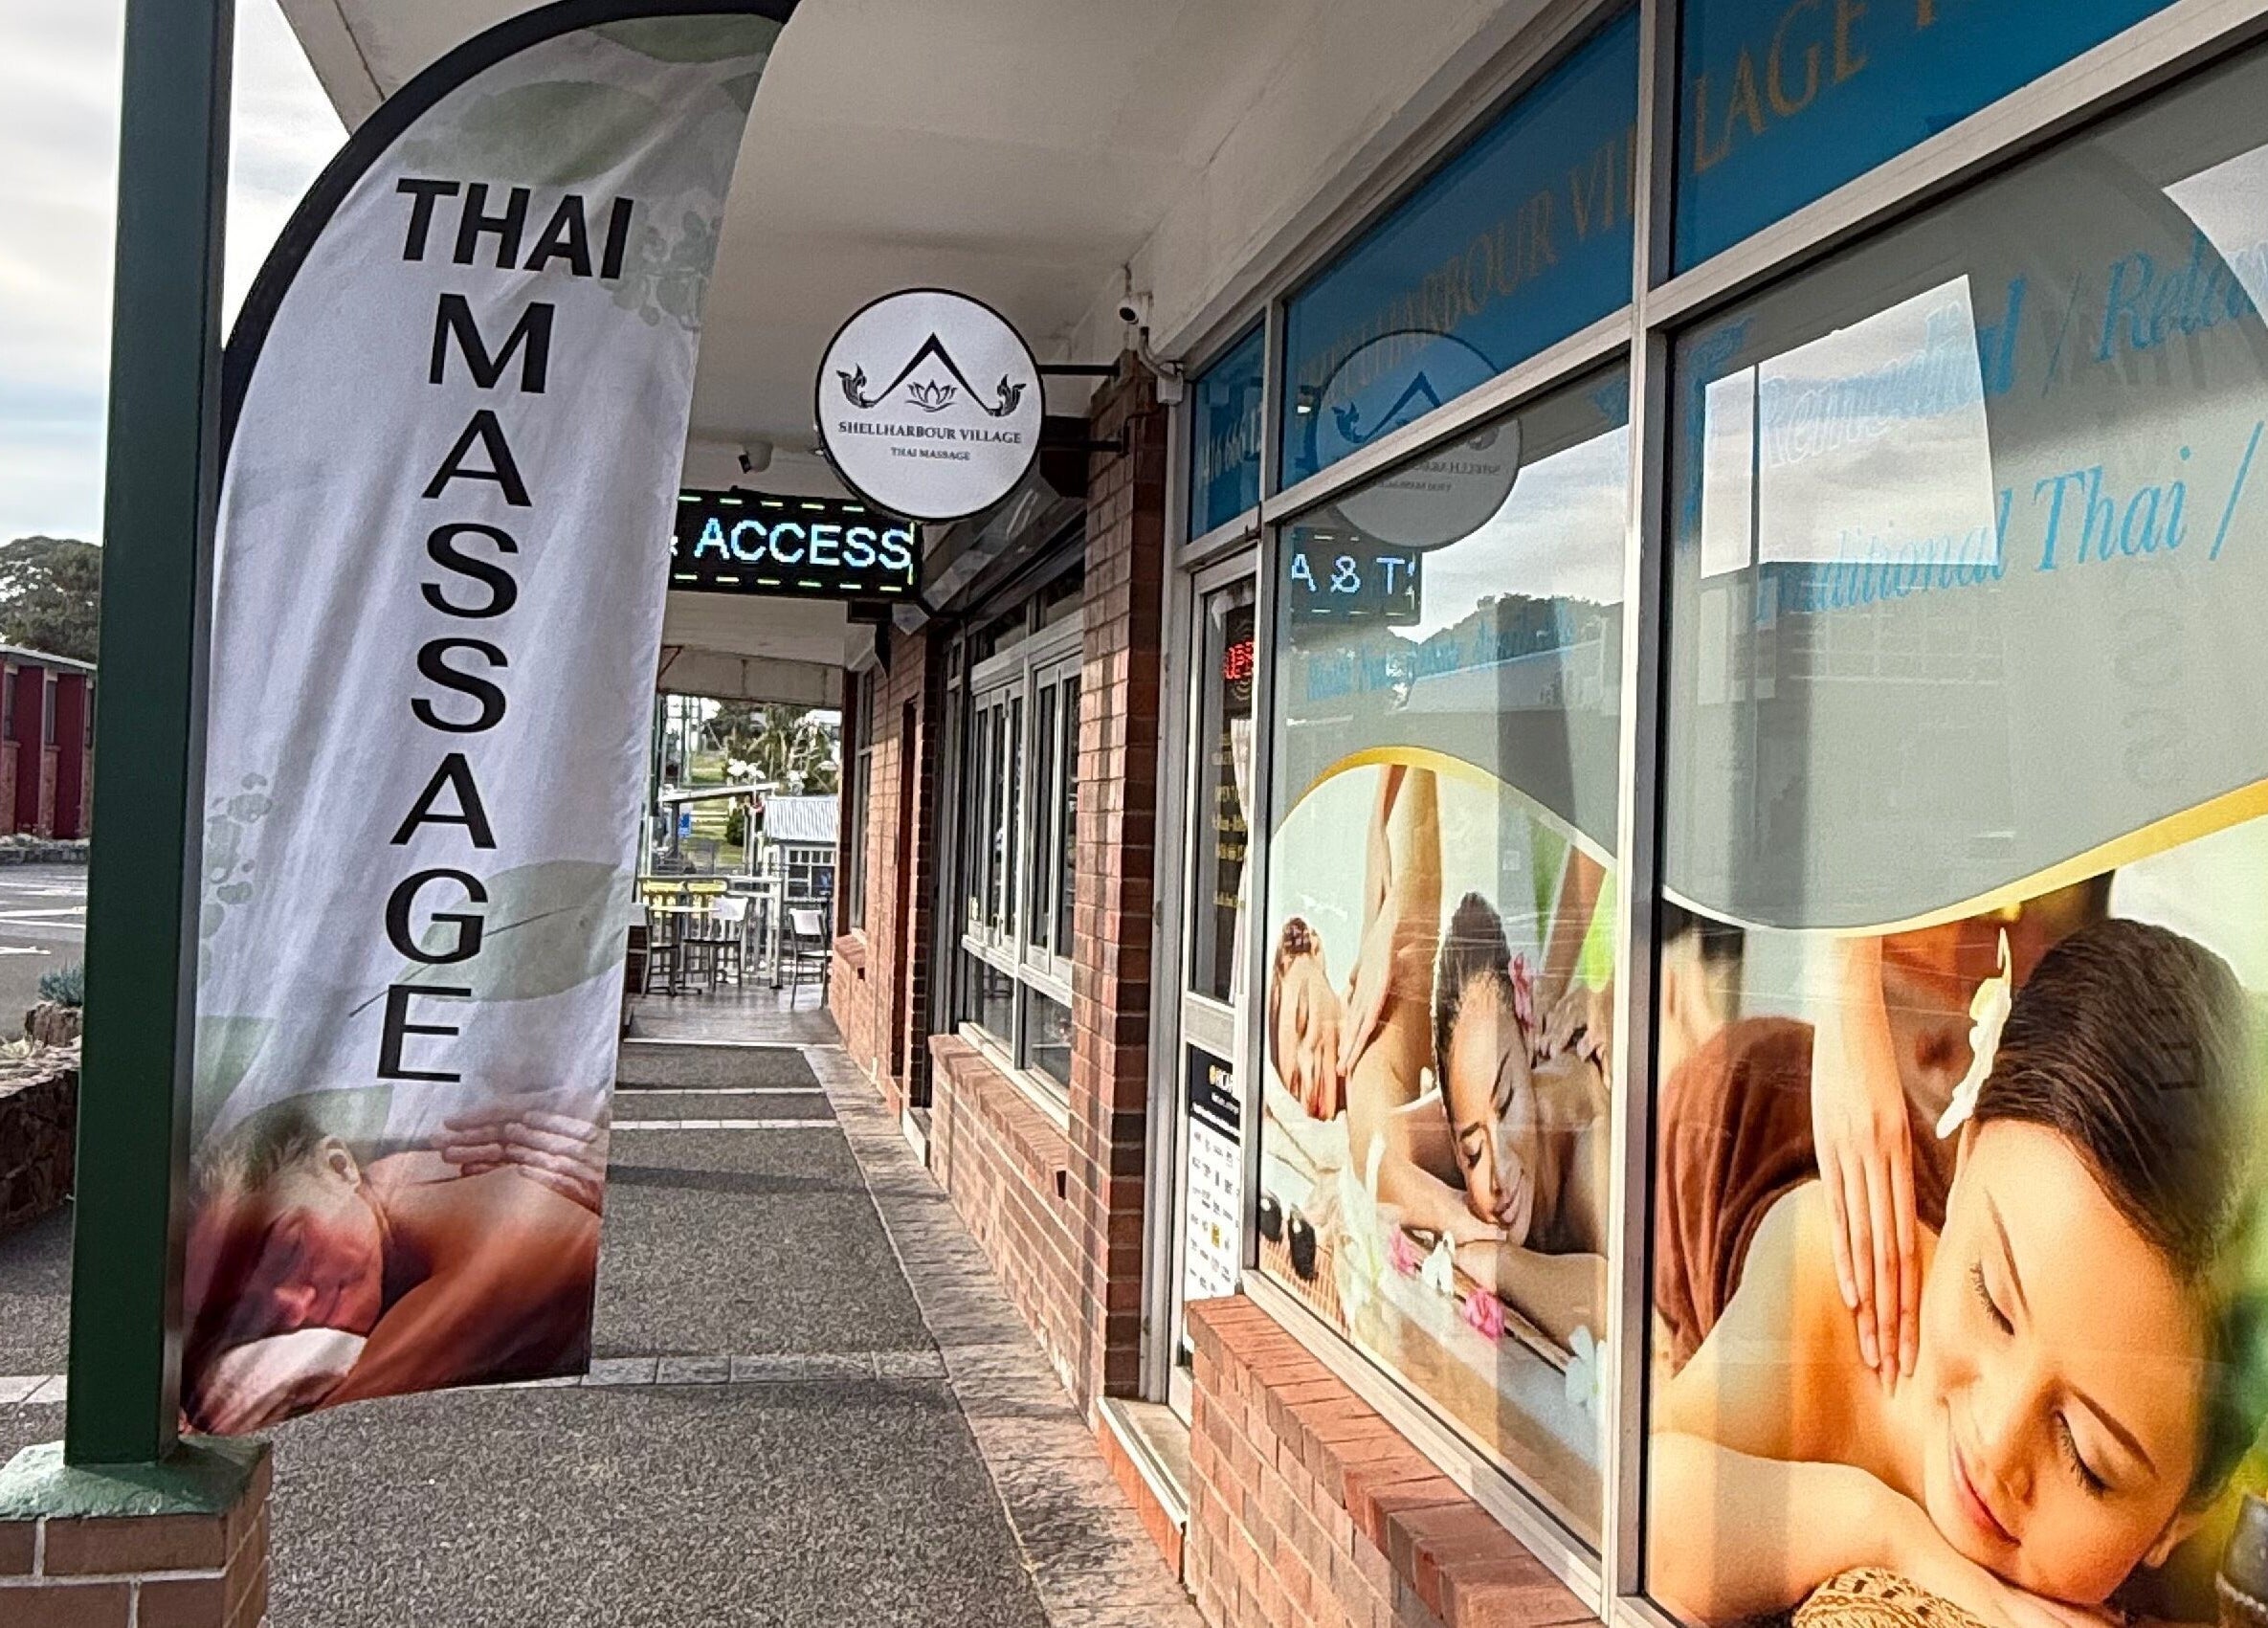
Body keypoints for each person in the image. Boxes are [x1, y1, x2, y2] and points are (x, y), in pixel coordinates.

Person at [1648, 918, 2268, 1628]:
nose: (1997, 1443)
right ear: (1967, 1154)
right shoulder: (1830, 1288)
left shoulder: (2204, 1525)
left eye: (2086, 1458)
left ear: (2180, 1520)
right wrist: (1885, 1532)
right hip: (1739, 1126)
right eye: (1994, 1303)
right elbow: (1643, 1507)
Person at [183, 1097, 607, 1432]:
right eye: (247, 1309)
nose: (292, 1310)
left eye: (288, 1251)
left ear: (338, 1166)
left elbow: (339, 1424)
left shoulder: (482, 1222)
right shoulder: (393, 1214)